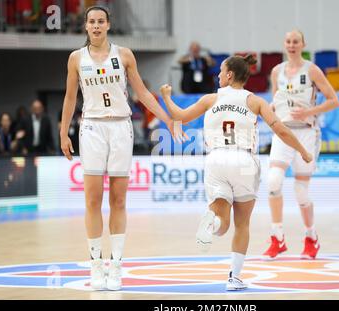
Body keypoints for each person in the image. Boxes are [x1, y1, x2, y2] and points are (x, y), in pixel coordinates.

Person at [59, 5, 185, 292]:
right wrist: (63, 133)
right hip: (91, 127)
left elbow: (141, 93)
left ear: (108, 24)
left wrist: (168, 119)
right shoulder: (75, 58)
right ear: (86, 26)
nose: (96, 26)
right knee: (92, 200)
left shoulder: (125, 55)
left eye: (100, 21)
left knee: (118, 200)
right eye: (91, 22)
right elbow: (69, 98)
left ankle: (115, 266)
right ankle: (96, 266)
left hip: (120, 127)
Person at [160, 54, 312, 291]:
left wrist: (167, 97)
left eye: (221, 71)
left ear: (230, 75)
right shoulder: (255, 101)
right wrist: (302, 150)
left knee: (223, 223)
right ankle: (234, 278)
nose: (218, 75)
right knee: (242, 225)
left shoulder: (210, 99)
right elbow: (281, 130)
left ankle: (212, 222)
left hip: (216, 159)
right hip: (244, 161)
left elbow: (179, 115)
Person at [262, 30, 339, 260]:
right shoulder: (277, 71)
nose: (292, 44)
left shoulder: (312, 70)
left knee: (300, 191)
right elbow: (275, 99)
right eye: (288, 41)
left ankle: (311, 237)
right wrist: (270, 109)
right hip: (283, 133)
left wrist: (308, 111)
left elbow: (333, 100)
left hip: (306, 133)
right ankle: (277, 238)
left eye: (296, 41)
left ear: (303, 44)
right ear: (284, 44)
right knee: (273, 181)